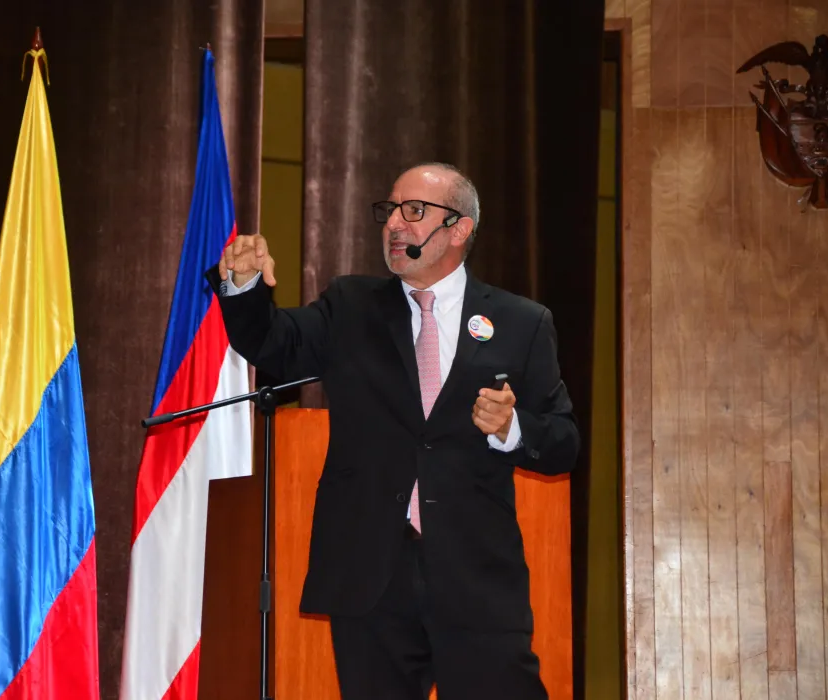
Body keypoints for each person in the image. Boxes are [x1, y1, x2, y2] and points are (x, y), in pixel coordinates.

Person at [205, 163, 578, 699]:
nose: (395, 224)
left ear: (459, 228)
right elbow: (275, 345)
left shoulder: (522, 323)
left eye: (415, 210)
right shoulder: (351, 306)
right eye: (390, 210)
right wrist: (242, 286)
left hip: (476, 579)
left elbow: (564, 442)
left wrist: (512, 428)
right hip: (371, 577)